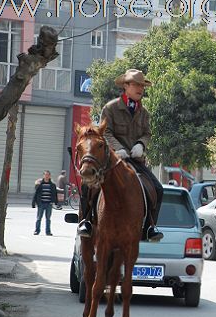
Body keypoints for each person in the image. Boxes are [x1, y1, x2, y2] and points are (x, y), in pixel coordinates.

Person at [77, 69, 164, 242]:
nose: (140, 88)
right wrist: (118, 149)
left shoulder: (144, 113)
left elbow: (147, 133)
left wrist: (141, 144)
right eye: (136, 84)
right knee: (89, 184)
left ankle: (149, 226)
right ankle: (85, 220)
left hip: (136, 160)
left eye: (142, 85)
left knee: (158, 189)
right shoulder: (111, 108)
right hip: (113, 159)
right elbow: (105, 132)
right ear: (126, 86)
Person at [32, 170, 59, 236]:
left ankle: (48, 232)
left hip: (49, 204)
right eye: (45, 175)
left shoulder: (52, 185)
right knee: (39, 218)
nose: (47, 176)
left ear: (50, 176)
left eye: (48, 175)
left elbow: (55, 194)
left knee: (48, 219)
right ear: (43, 176)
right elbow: (36, 193)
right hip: (41, 203)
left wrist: (56, 202)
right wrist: (34, 202)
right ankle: (37, 231)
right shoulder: (39, 184)